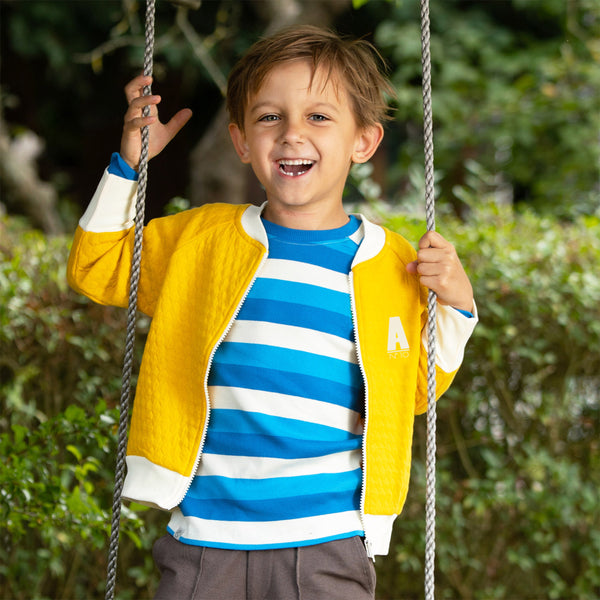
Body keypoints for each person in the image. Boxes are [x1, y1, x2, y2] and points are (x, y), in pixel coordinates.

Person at [68, 25, 477, 600]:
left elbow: (414, 390)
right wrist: (130, 167)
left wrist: (456, 304)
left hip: (328, 540)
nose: (291, 135)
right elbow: (98, 266)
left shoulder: (395, 265)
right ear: (240, 141)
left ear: (364, 141)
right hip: (206, 539)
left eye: (318, 117)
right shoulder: (204, 238)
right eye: (268, 118)